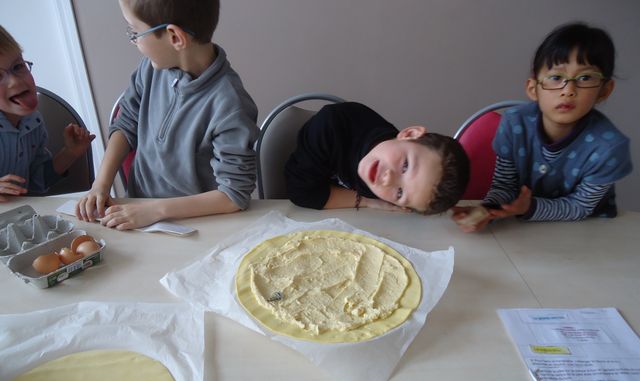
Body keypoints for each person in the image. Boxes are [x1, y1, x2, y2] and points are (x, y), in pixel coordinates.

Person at [75, 0, 258, 230]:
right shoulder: (150, 69)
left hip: (197, 227)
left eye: (135, 32)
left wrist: (155, 211)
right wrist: (101, 185)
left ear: (175, 37)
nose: (134, 41)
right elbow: (126, 123)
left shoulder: (230, 104)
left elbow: (233, 195)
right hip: (138, 214)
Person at [453, 22, 632, 232]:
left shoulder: (609, 147)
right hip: (523, 230)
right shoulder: (514, 124)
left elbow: (580, 206)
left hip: (588, 231)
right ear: (533, 88)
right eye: (556, 77)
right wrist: (486, 211)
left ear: (604, 90)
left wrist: (530, 207)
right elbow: (504, 186)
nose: (568, 90)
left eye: (585, 78)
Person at [285, 102, 470, 214]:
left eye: (400, 193)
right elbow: (301, 193)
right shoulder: (332, 125)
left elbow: (420, 198)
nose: (388, 179)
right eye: (405, 166)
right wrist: (368, 201)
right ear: (409, 134)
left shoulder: (407, 185)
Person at [0, 26, 95, 202]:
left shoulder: (33, 121)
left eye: (18, 66)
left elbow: (37, 183)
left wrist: (70, 152)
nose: (15, 81)